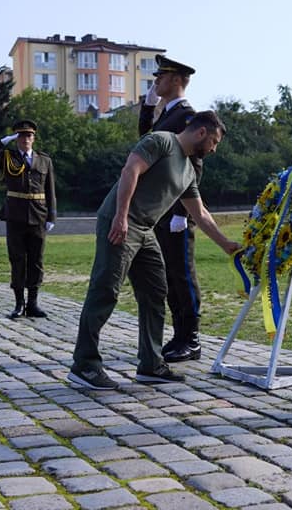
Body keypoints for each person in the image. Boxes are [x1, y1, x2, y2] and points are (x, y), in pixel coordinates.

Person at [69, 111, 240, 390]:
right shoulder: (161, 141)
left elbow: (200, 213)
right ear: (201, 133)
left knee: (156, 292)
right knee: (105, 290)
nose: (214, 148)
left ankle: (151, 363)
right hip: (120, 222)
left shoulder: (188, 170)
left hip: (146, 231)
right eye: (214, 141)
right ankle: (84, 365)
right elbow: (130, 170)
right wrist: (121, 216)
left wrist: (227, 244)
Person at [139, 54, 203, 363]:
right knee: (168, 275)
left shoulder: (187, 116)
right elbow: (146, 141)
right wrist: (148, 106)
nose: (156, 81)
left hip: (176, 210)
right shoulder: (168, 115)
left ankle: (191, 338)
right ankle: (179, 336)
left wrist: (182, 212)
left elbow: (195, 165)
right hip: (162, 209)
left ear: (176, 80)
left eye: (161, 77)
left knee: (182, 275)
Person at [0, 119, 57, 319]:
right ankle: (19, 304)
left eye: (28, 135)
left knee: (36, 260)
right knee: (17, 260)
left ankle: (33, 303)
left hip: (39, 216)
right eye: (21, 136)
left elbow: (50, 190)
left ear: (34, 138)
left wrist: (52, 216)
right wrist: (2, 142)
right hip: (15, 216)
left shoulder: (44, 160)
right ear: (16, 139)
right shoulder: (7, 157)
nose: (25, 139)